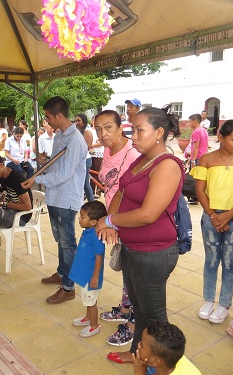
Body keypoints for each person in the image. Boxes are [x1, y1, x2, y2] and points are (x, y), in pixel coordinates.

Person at [96, 105, 184, 364]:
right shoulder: (141, 158)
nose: (132, 135)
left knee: (155, 317)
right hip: (133, 247)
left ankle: (162, 365)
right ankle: (139, 354)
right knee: (140, 307)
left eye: (139, 130)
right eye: (132, 129)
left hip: (154, 252)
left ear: (159, 132)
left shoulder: (168, 165)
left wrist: (109, 219)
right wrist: (111, 224)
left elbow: (148, 214)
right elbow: (121, 191)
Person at [190, 120, 233, 324]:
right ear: (220, 137)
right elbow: (200, 190)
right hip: (211, 216)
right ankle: (209, 300)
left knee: (230, 262)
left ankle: (224, 304)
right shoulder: (207, 159)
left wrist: (227, 216)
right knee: (211, 260)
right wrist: (213, 215)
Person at [22, 96, 87, 304]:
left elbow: (65, 174)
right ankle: (61, 273)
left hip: (67, 199)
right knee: (61, 240)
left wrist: (36, 179)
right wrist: (45, 161)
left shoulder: (76, 140)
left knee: (68, 243)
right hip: (55, 197)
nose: (47, 121)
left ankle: (68, 287)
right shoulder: (60, 136)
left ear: (59, 115)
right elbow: (57, 166)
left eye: (49, 117)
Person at [95, 110, 140, 346]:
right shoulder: (107, 149)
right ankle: (124, 309)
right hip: (114, 217)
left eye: (108, 127)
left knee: (134, 273)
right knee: (125, 268)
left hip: (127, 220)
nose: (103, 134)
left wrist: (113, 221)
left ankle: (133, 324)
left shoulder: (132, 154)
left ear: (121, 127)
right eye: (99, 129)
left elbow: (130, 194)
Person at [69, 201, 107, 338]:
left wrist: (95, 276)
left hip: (91, 278)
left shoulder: (96, 237)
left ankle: (94, 326)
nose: (79, 219)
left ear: (93, 222)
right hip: (86, 276)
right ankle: (88, 318)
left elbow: (99, 257)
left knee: (91, 302)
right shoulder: (88, 232)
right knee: (87, 299)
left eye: (82, 217)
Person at [131, 321, 202, 375]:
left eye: (142, 345)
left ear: (155, 362)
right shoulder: (171, 356)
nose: (138, 344)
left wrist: (139, 370)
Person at [75, 113, 94, 202]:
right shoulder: (76, 131)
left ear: (84, 121)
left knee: (85, 183)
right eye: (75, 121)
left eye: (79, 121)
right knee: (78, 183)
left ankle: (91, 202)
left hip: (85, 160)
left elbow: (87, 147)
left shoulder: (87, 132)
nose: (77, 123)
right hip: (77, 160)